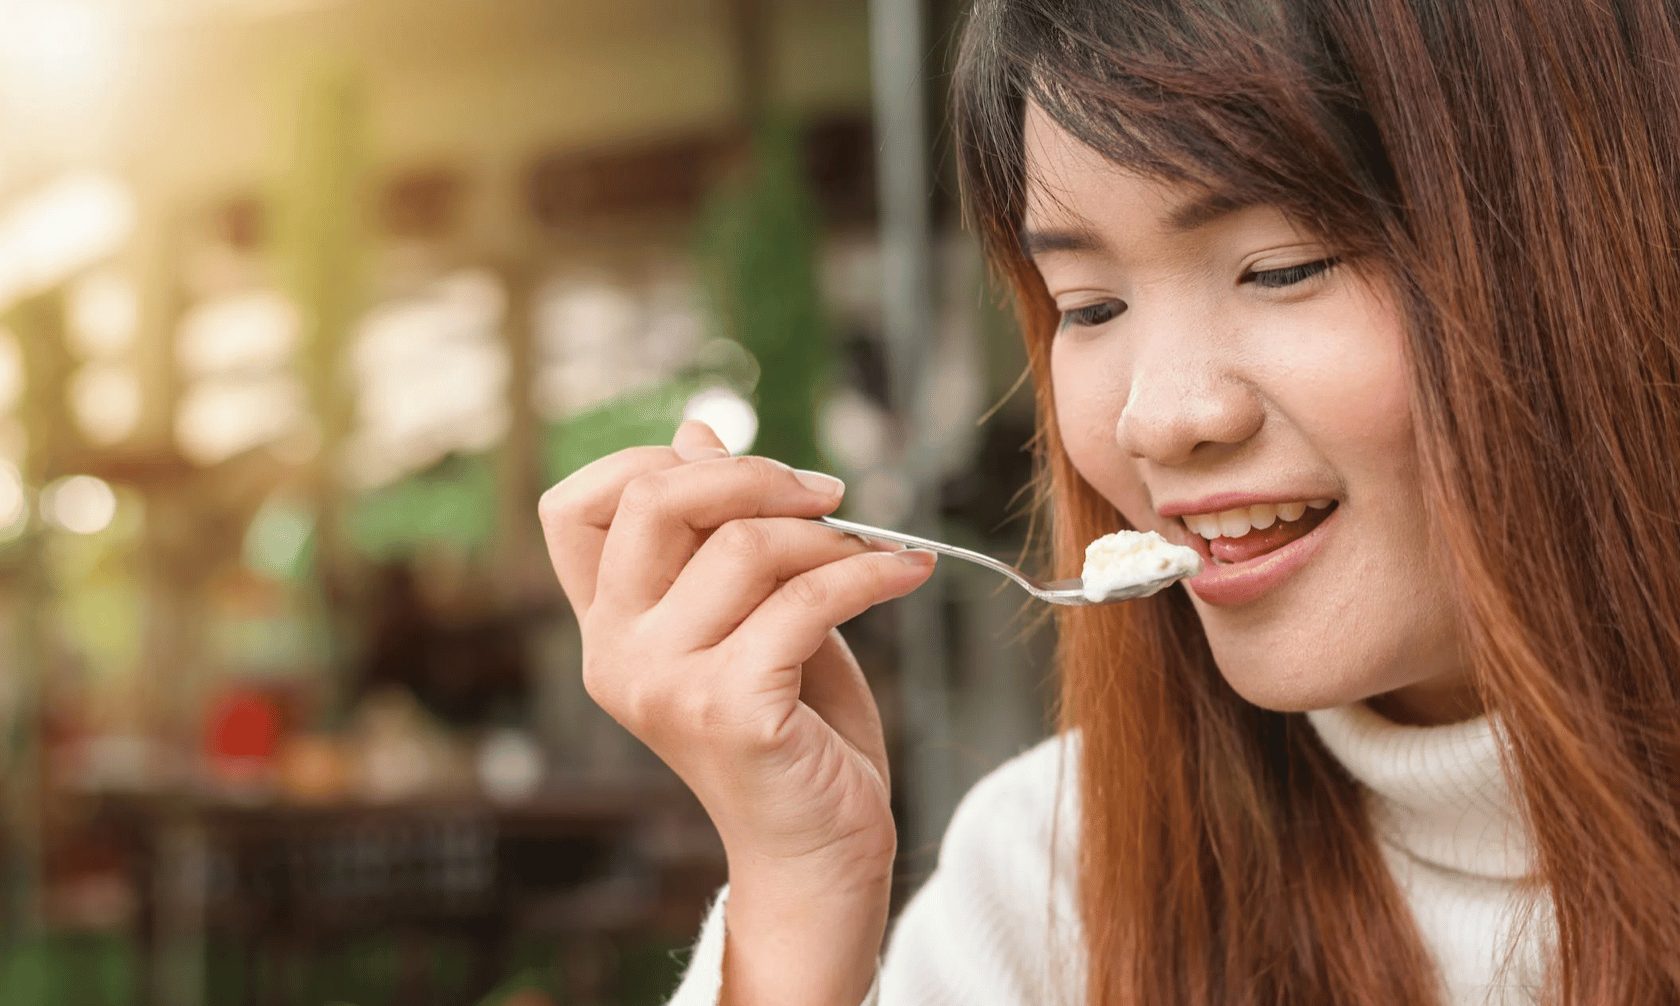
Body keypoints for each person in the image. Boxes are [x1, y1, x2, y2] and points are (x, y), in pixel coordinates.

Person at [537, 0, 1680, 1002]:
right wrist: (798, 918)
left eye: (1281, 266)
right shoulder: (1053, 880)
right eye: (1087, 306)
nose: (1157, 418)